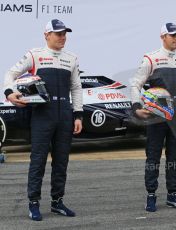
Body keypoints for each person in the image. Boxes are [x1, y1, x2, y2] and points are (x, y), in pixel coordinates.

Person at [3, 19, 83, 221]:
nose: (62, 37)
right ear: (46, 35)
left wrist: (78, 114)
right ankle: (34, 203)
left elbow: (76, 87)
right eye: (58, 33)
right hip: (42, 114)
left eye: (65, 33)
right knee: (38, 160)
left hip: (64, 113)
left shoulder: (71, 58)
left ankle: (57, 202)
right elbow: (10, 74)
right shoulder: (35, 55)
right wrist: (9, 92)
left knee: (61, 161)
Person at [130, 22, 176, 212]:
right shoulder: (151, 58)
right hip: (156, 113)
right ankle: (151, 195)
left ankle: (172, 195)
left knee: (174, 157)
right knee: (153, 157)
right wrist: (136, 106)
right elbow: (136, 84)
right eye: (172, 35)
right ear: (163, 37)